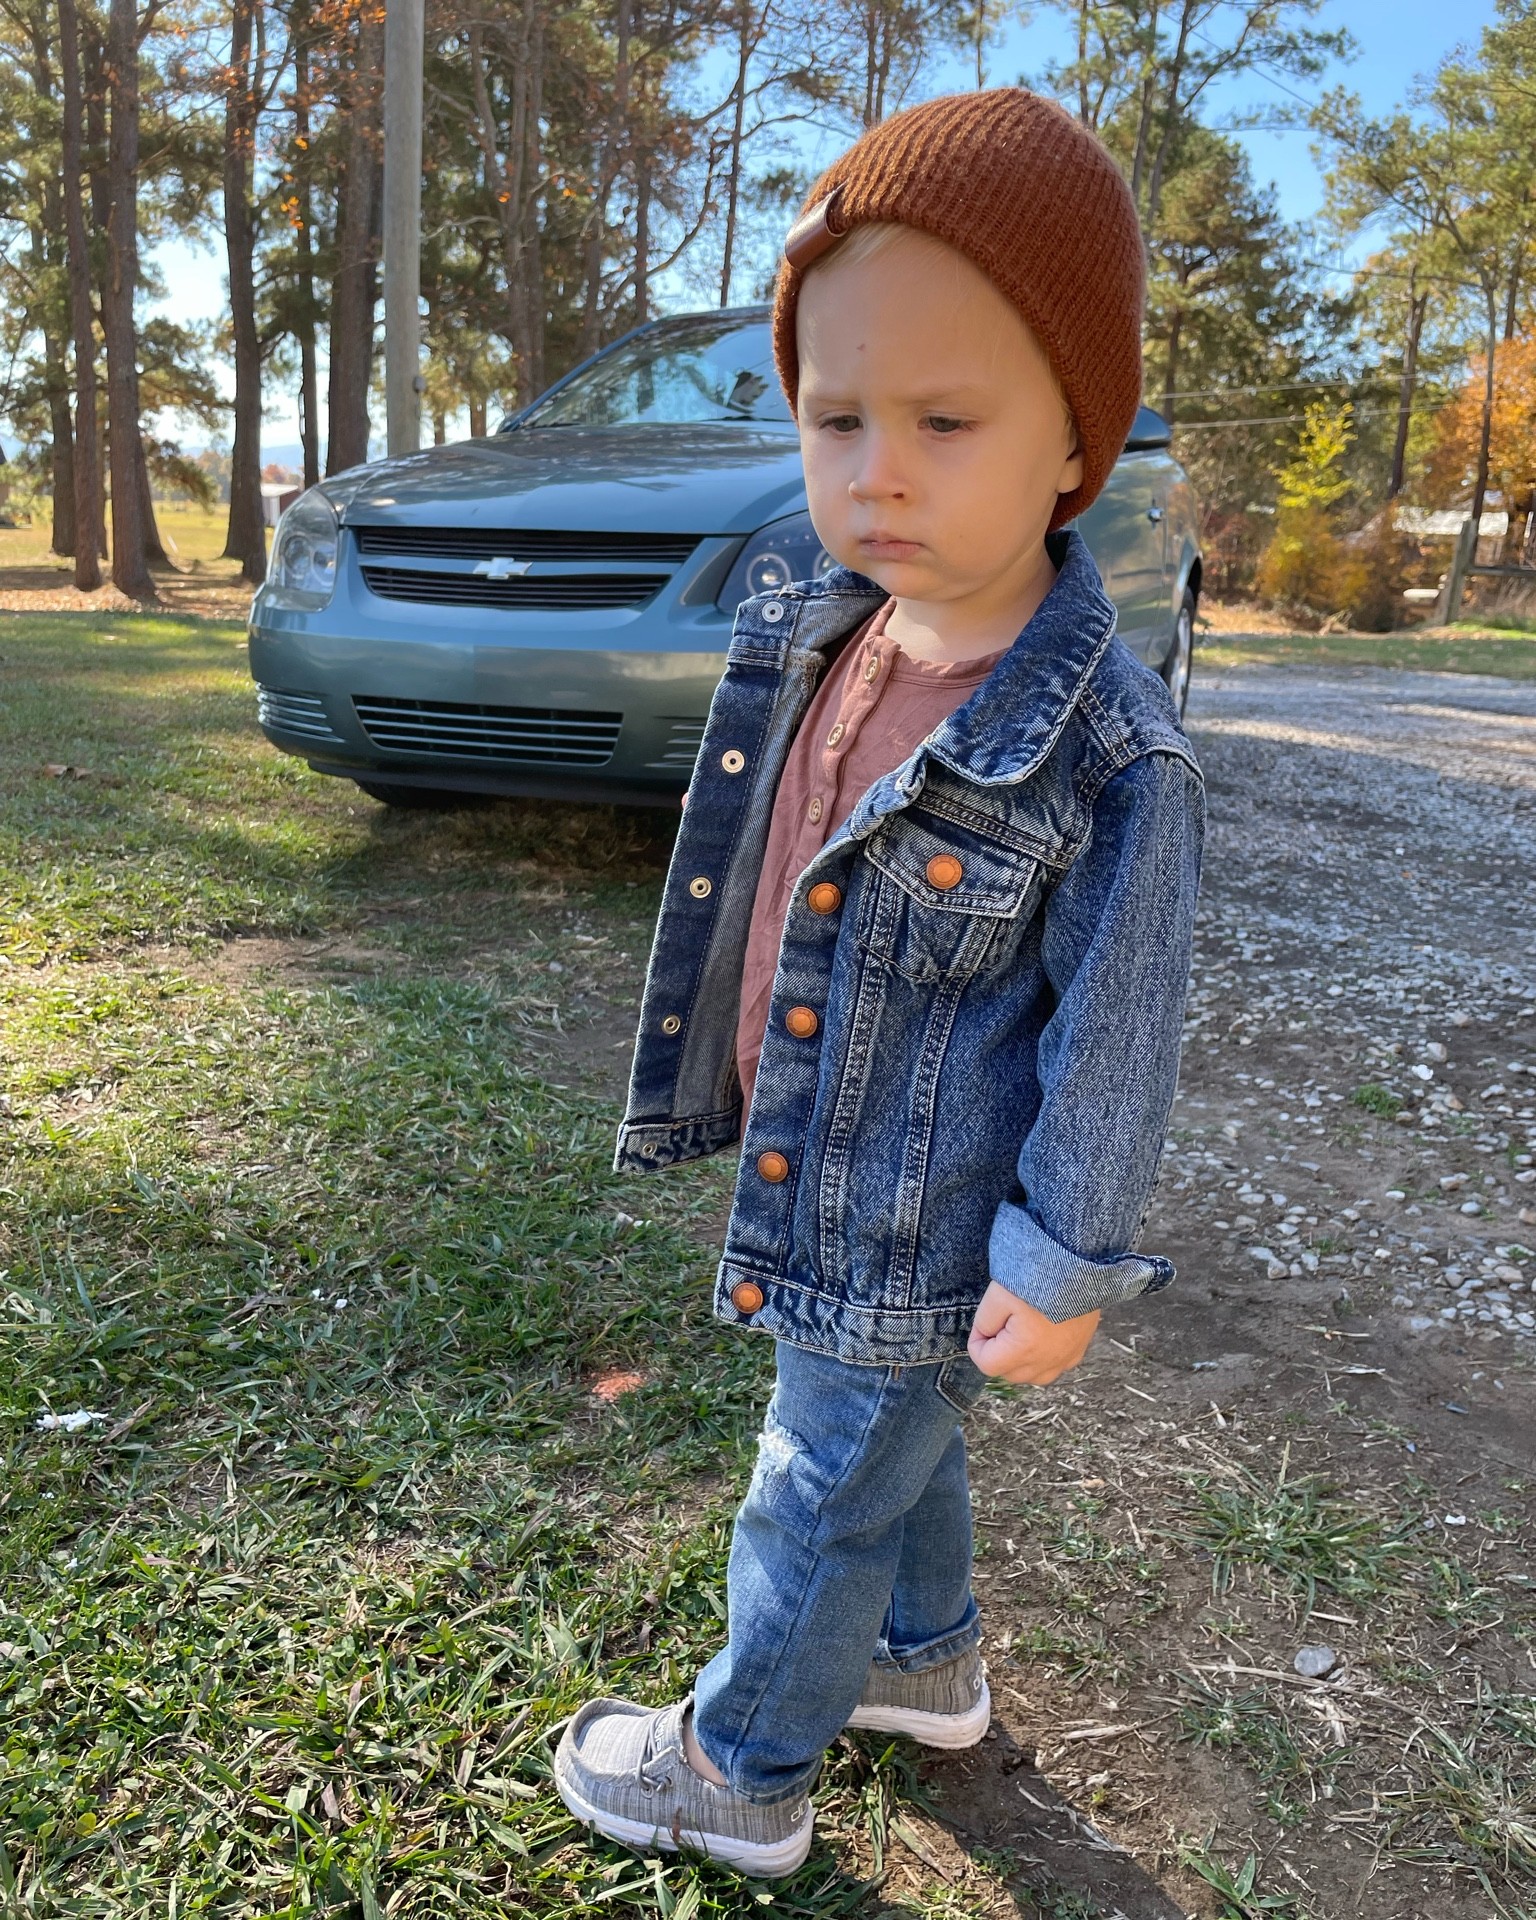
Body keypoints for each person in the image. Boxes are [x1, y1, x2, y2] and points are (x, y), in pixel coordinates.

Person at [552, 86, 1205, 1878]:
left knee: (815, 1490)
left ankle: (743, 1767)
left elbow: (1120, 1038)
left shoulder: (1110, 756)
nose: (878, 471)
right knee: (890, 1449)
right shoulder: (829, 622)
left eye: (943, 417)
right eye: (836, 416)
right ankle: (926, 1670)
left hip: (923, 1209)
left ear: (1079, 439)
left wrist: (1062, 1266)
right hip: (819, 1145)